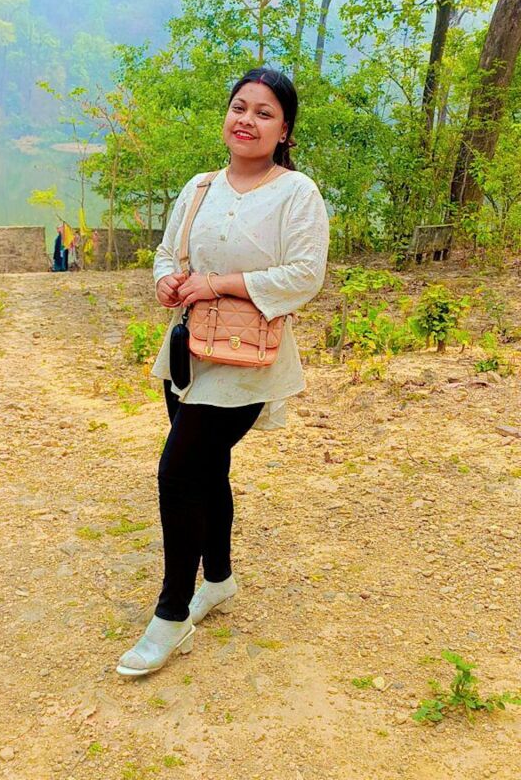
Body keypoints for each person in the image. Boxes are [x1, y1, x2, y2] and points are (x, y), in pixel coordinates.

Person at [116, 67, 330, 677]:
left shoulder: (297, 193)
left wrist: (218, 284)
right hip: (189, 349)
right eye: (240, 107)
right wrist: (167, 280)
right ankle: (219, 579)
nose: (247, 121)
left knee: (178, 471)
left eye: (264, 113)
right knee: (207, 469)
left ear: (284, 130)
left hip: (249, 360)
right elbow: (168, 252)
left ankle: (171, 616)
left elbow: (304, 275)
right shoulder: (200, 187)